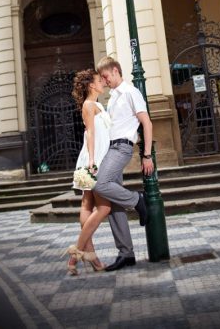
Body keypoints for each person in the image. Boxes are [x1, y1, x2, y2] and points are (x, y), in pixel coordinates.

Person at [92, 56, 152, 272]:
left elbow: (146, 122)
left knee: (100, 184)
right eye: (103, 78)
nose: (105, 81)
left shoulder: (130, 92)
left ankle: (137, 199)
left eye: (106, 76)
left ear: (116, 70)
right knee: (113, 203)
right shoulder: (114, 97)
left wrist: (146, 155)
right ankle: (126, 254)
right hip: (110, 149)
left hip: (122, 148)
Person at [64, 68, 112, 275]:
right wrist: (92, 160)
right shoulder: (88, 105)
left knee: (88, 203)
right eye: (98, 80)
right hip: (93, 160)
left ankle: (85, 260)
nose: (102, 82)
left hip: (96, 158)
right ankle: (77, 253)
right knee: (104, 208)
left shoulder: (98, 104)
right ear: (91, 85)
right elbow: (90, 133)